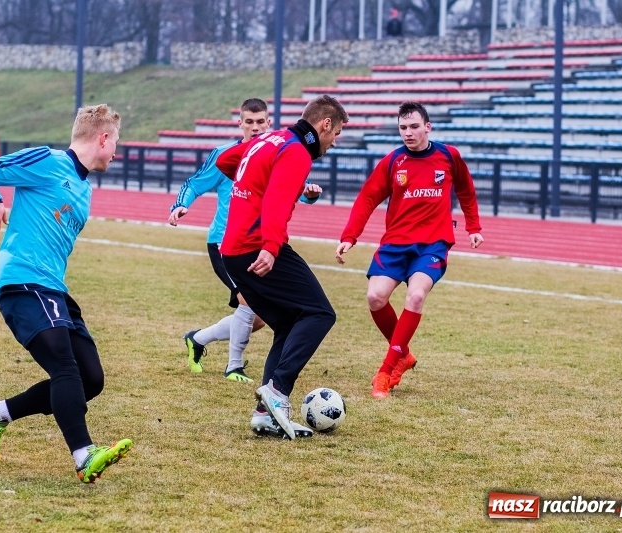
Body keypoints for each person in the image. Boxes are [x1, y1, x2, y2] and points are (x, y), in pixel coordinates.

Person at [0, 104, 132, 484]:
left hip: (53, 289)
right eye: (116, 143)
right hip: (23, 283)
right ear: (103, 138)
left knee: (91, 379)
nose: (116, 152)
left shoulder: (84, 191)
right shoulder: (48, 161)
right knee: (64, 366)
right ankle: (83, 455)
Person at [216, 94, 348, 440]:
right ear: (325, 125)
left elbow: (227, 160)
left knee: (289, 323)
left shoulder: (270, 140)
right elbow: (275, 203)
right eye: (336, 135)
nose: (334, 143)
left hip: (234, 248)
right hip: (256, 246)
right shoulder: (296, 152)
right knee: (320, 313)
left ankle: (265, 414)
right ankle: (276, 391)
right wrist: (271, 247)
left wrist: (254, 183)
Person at [168, 98, 323, 384]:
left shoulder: (275, 149)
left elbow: (281, 191)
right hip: (225, 243)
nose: (254, 127)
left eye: (260, 121)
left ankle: (197, 339)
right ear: (239, 123)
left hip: (255, 243)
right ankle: (234, 366)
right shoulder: (227, 154)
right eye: (248, 122)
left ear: (268, 123)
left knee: (261, 318)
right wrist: (181, 204)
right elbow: (193, 183)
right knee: (249, 304)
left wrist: (308, 195)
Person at [335, 101, 484, 399]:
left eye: (414, 126)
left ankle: (385, 370)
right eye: (403, 128)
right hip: (395, 243)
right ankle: (403, 354)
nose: (408, 132)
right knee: (375, 297)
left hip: (433, 243)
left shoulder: (448, 156)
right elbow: (367, 198)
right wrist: (350, 235)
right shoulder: (393, 161)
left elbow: (466, 190)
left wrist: (474, 227)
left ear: (428, 126)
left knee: (416, 295)